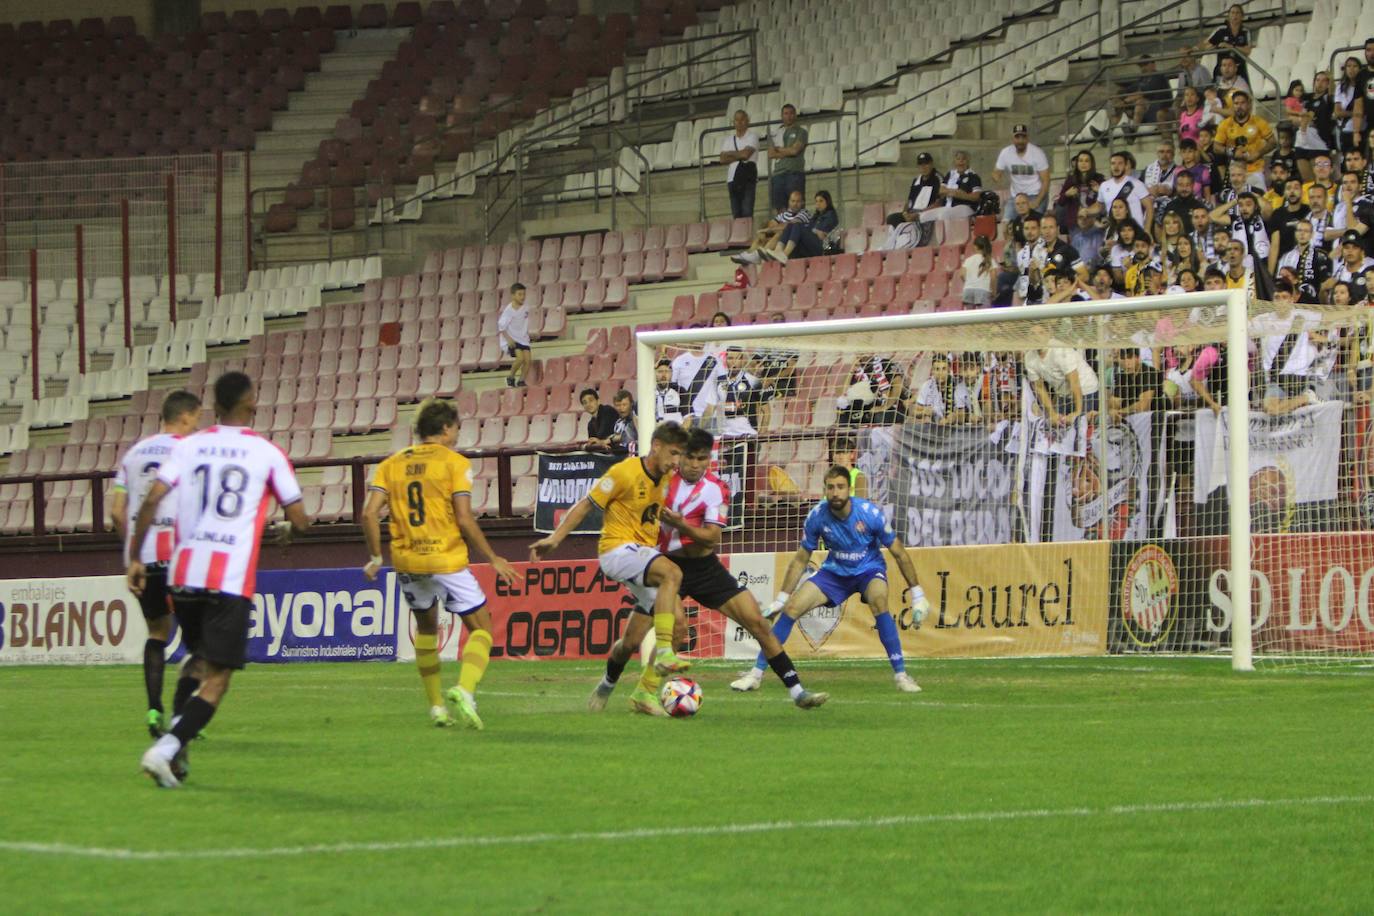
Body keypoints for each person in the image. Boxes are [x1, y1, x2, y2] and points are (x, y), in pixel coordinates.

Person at [132, 372, 311, 788]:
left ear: (213, 405)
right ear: (251, 405)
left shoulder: (189, 445)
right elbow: (300, 518)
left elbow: (153, 498)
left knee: (196, 660)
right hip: (228, 578)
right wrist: (287, 529)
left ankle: (177, 746)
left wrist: (136, 559)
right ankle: (165, 749)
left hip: (183, 571)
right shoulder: (265, 452)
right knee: (218, 678)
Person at [360, 398, 517, 729]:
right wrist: (493, 557)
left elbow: (368, 512)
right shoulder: (454, 463)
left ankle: (435, 707)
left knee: (427, 629)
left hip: (407, 560)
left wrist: (376, 556)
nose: (458, 435)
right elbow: (463, 517)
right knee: (483, 629)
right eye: (457, 428)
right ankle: (465, 689)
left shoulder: (390, 464)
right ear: (446, 428)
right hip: (445, 558)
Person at [658, 428, 827, 709]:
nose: (695, 464)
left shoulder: (716, 488)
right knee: (677, 629)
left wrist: (681, 525)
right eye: (690, 457)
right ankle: (654, 693)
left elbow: (712, 537)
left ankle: (798, 691)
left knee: (758, 623)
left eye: (702, 458)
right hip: (668, 565)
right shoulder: (663, 483)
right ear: (680, 456)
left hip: (705, 568)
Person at [530, 422, 692, 715]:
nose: (676, 461)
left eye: (680, 455)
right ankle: (665, 650)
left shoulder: (666, 477)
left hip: (642, 555)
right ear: (656, 446)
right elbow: (585, 504)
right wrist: (555, 539)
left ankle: (635, 691)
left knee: (658, 631)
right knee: (673, 573)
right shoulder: (623, 472)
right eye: (674, 453)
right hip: (616, 551)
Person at [730, 465, 930, 694]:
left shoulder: (870, 513)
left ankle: (901, 675)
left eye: (841, 487)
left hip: (868, 570)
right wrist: (780, 599)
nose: (836, 492)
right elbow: (800, 560)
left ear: (850, 489)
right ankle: (755, 675)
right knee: (792, 608)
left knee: (879, 598)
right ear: (825, 489)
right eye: (831, 487)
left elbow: (899, 552)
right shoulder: (816, 516)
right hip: (834, 572)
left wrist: (918, 594)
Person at [111, 389, 202, 739]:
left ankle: (153, 710)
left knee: (156, 633)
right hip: (179, 556)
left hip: (143, 559)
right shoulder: (188, 451)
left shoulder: (132, 455)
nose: (197, 425)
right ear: (185, 417)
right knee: (198, 640)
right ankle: (184, 715)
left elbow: (117, 513)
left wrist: (132, 552)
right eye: (196, 418)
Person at [1025, 347, 1099, 428]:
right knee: (1056, 425)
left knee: (1080, 425)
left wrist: (1078, 412)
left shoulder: (1060, 350)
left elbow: (1074, 381)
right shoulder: (1029, 358)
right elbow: (1039, 387)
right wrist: (1052, 414)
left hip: (1086, 389)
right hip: (1063, 394)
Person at [732, 188, 809, 264]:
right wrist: (764, 232)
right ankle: (749, 254)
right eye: (793, 201)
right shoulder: (784, 214)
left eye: (798, 201)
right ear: (789, 202)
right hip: (781, 243)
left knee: (780, 232)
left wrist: (767, 230)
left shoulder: (804, 213)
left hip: (795, 245)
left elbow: (787, 226)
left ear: (802, 203)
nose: (795, 204)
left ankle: (760, 254)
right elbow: (771, 224)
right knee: (762, 236)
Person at [884, 152, 943, 248]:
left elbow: (939, 202)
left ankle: (908, 241)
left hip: (926, 213)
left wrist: (918, 214)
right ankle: (896, 242)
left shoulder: (938, 179)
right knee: (892, 218)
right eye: (921, 164)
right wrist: (905, 213)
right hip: (912, 212)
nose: (923, 167)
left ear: (931, 164)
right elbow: (909, 201)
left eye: (926, 164)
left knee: (918, 219)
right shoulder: (916, 180)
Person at [992, 124, 1050, 222]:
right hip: (1016, 196)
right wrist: (997, 177)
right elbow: (996, 172)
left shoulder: (1037, 153)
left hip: (1035, 194)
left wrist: (1037, 201)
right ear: (1013, 139)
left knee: (1033, 223)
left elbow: (1046, 180)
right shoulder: (1006, 152)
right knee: (1006, 223)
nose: (1020, 141)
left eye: (1023, 137)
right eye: (1017, 137)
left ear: (1027, 138)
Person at [701, 347, 763, 437]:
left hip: (749, 434)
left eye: (737, 358)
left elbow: (764, 409)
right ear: (725, 360)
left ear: (742, 361)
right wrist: (699, 430)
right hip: (725, 435)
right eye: (730, 358)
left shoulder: (753, 381)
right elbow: (709, 409)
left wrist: (761, 432)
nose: (734, 362)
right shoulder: (718, 381)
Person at [1213, 90, 1273, 180]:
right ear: (1232, 106)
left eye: (1242, 103)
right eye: (1236, 103)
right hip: (1235, 170)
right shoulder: (1225, 124)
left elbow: (1273, 142)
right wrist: (1232, 152)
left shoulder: (1259, 122)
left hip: (1256, 169)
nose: (1239, 106)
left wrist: (1258, 153)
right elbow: (1216, 147)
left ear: (1248, 105)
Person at [1109, 57, 1171, 139]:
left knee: (1140, 102)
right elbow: (1130, 89)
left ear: (1153, 65)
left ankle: (1133, 131)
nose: (1142, 68)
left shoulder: (1158, 76)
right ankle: (1108, 133)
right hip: (1146, 110)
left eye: (1144, 65)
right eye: (1141, 65)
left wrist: (1125, 102)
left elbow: (1143, 93)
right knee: (1119, 105)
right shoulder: (1143, 78)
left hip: (1160, 109)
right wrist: (1117, 97)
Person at [1093, 150, 1153, 231]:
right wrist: (1085, 211)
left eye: (1120, 163)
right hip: (1114, 233)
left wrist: (1147, 229)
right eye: (1113, 163)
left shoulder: (1137, 184)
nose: (1116, 166)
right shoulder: (1104, 186)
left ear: (1126, 165)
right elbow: (1098, 207)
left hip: (1136, 232)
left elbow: (1149, 207)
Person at [773, 190, 838, 262]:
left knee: (797, 225)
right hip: (811, 245)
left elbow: (821, 234)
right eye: (816, 201)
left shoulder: (830, 215)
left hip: (822, 247)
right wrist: (813, 230)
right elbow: (811, 229)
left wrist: (814, 230)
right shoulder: (816, 216)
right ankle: (778, 251)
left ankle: (785, 254)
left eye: (821, 201)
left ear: (827, 202)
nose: (818, 204)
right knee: (790, 225)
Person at [767, 103, 808, 213]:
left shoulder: (801, 132)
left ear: (795, 115)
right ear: (782, 116)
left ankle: (797, 229)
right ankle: (784, 229)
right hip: (778, 174)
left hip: (794, 173)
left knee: (797, 207)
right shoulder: (775, 133)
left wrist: (779, 149)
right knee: (780, 209)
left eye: (791, 113)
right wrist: (788, 150)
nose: (788, 116)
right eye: (786, 113)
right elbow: (771, 154)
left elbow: (795, 151)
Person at [719, 109, 760, 219]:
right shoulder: (728, 139)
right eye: (737, 120)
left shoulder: (753, 136)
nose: (739, 122)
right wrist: (739, 154)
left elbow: (746, 155)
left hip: (747, 178)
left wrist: (730, 154)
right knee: (736, 214)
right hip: (732, 179)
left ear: (747, 121)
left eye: (742, 119)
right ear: (734, 122)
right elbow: (722, 159)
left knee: (747, 211)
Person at [1198, 4, 1253, 83]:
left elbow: (1248, 51)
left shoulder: (1245, 31)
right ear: (1228, 16)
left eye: (1237, 13)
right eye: (1233, 13)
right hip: (1222, 71)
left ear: (1242, 16)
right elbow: (1206, 44)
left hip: (1239, 70)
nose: (1235, 15)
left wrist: (1230, 46)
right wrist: (1194, 49)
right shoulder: (1221, 30)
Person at [1054, 150, 1103, 229]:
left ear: (1091, 164)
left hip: (1094, 223)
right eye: (1080, 161)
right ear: (1077, 163)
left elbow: (1108, 200)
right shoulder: (1070, 180)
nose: (1083, 163)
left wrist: (1100, 190)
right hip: (1075, 223)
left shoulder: (1099, 179)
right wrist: (1067, 194)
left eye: (1086, 161)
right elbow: (1060, 202)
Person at [931, 149, 983, 223]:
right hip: (947, 207)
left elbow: (976, 196)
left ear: (968, 162)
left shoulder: (973, 176)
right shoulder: (950, 174)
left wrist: (962, 195)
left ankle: (948, 234)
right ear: (954, 162)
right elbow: (941, 191)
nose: (961, 161)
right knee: (925, 216)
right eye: (958, 159)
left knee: (944, 215)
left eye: (963, 159)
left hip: (965, 207)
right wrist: (955, 192)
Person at [1108, 349, 1161, 421]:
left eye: (1130, 358)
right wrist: (1113, 411)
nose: (1127, 363)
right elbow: (1114, 403)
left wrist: (1122, 411)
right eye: (1123, 359)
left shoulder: (1149, 373)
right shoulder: (1122, 377)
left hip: (1151, 418)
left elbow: (1143, 406)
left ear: (1138, 358)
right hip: (1128, 419)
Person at [497, 282, 530, 388]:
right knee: (520, 358)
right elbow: (501, 327)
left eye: (524, 294)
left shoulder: (526, 308)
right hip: (512, 339)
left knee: (528, 361)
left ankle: (521, 381)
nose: (522, 297)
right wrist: (508, 339)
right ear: (513, 295)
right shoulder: (508, 311)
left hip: (523, 339)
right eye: (519, 294)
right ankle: (510, 377)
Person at [1335, 57, 1364, 154]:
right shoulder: (1340, 87)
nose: (1351, 69)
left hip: (1364, 129)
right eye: (1349, 66)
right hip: (1347, 130)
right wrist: (1356, 113)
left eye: (1355, 66)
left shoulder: (1366, 85)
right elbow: (1338, 112)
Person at [961, 235, 995, 307]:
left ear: (975, 246)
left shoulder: (968, 260)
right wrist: (994, 292)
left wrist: (969, 282)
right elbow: (993, 277)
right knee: (984, 317)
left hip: (968, 289)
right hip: (983, 289)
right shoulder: (990, 260)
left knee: (969, 316)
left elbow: (961, 274)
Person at [654, 358, 688, 424]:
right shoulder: (647, 392)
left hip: (675, 431)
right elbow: (636, 416)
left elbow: (688, 419)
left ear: (671, 374)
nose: (663, 375)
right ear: (655, 374)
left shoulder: (680, 391)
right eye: (660, 371)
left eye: (666, 371)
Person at [609, 389, 637, 454]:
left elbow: (629, 438)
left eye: (624, 405)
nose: (621, 408)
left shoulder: (636, 421)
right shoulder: (618, 423)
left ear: (631, 404)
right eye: (618, 405)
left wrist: (611, 439)